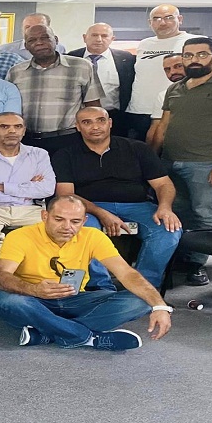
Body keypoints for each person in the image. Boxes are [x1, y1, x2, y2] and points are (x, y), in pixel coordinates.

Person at [0, 195, 173, 351]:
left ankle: (49, 332)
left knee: (142, 300)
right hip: (33, 299)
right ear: (44, 216)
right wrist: (34, 290)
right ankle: (89, 338)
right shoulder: (20, 236)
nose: (67, 226)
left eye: (75, 221)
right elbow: (1, 276)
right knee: (9, 301)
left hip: (76, 298)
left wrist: (160, 306)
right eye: (59, 219)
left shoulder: (93, 236)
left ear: (84, 221)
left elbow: (127, 273)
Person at [149, 36, 212, 287]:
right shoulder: (175, 88)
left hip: (207, 164)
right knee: (180, 213)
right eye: (188, 55)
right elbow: (164, 126)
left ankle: (198, 265)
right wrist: (152, 160)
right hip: (172, 162)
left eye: (201, 54)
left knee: (205, 216)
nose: (194, 60)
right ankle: (186, 259)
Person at [52, 107, 182, 290]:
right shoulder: (65, 154)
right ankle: (101, 288)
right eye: (87, 122)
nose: (95, 127)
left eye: (100, 120)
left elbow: (163, 184)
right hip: (90, 207)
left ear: (110, 123)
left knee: (168, 229)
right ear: (78, 127)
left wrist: (165, 207)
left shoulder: (137, 148)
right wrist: (101, 213)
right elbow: (66, 195)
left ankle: (143, 287)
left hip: (138, 205)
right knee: (81, 229)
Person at [6, 24, 103, 154]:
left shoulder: (82, 67)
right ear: (26, 46)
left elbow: (93, 107)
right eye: (32, 40)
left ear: (56, 40)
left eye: (45, 38)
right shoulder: (15, 72)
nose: (39, 43)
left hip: (68, 140)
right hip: (27, 141)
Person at [0, 112, 56, 262]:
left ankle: (22, 269)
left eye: (18, 126)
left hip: (30, 209)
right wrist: (27, 189)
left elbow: (47, 188)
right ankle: (13, 269)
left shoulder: (38, 154)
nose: (12, 131)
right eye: (4, 127)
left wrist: (3, 187)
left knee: (54, 233)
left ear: (24, 131)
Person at [124, 4, 199, 139]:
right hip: (139, 110)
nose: (163, 23)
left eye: (169, 18)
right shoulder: (145, 43)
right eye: (157, 19)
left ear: (180, 19)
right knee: (137, 151)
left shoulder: (194, 42)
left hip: (173, 109)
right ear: (150, 23)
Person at [67, 23, 137, 137]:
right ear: (84, 37)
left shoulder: (126, 58)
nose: (99, 39)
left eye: (104, 36)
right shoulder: (72, 57)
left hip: (115, 117)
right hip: (79, 118)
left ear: (112, 39)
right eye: (94, 35)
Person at [144, 54, 187, 146]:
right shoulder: (163, 95)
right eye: (167, 69)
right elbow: (157, 127)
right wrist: (150, 153)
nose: (172, 72)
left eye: (179, 66)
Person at [0, 13, 67, 60]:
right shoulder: (4, 50)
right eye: (28, 27)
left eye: (38, 26)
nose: (32, 30)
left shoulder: (60, 48)